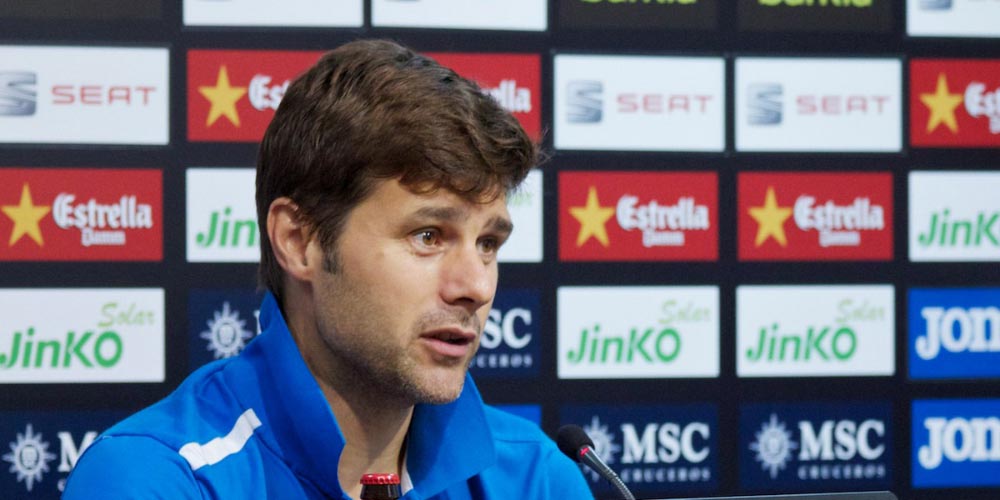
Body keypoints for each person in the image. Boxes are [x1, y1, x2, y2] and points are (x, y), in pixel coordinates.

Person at [63, 39, 594, 499]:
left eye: (488, 243)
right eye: (428, 236)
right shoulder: (155, 480)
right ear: (299, 242)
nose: (475, 287)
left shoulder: (539, 477)